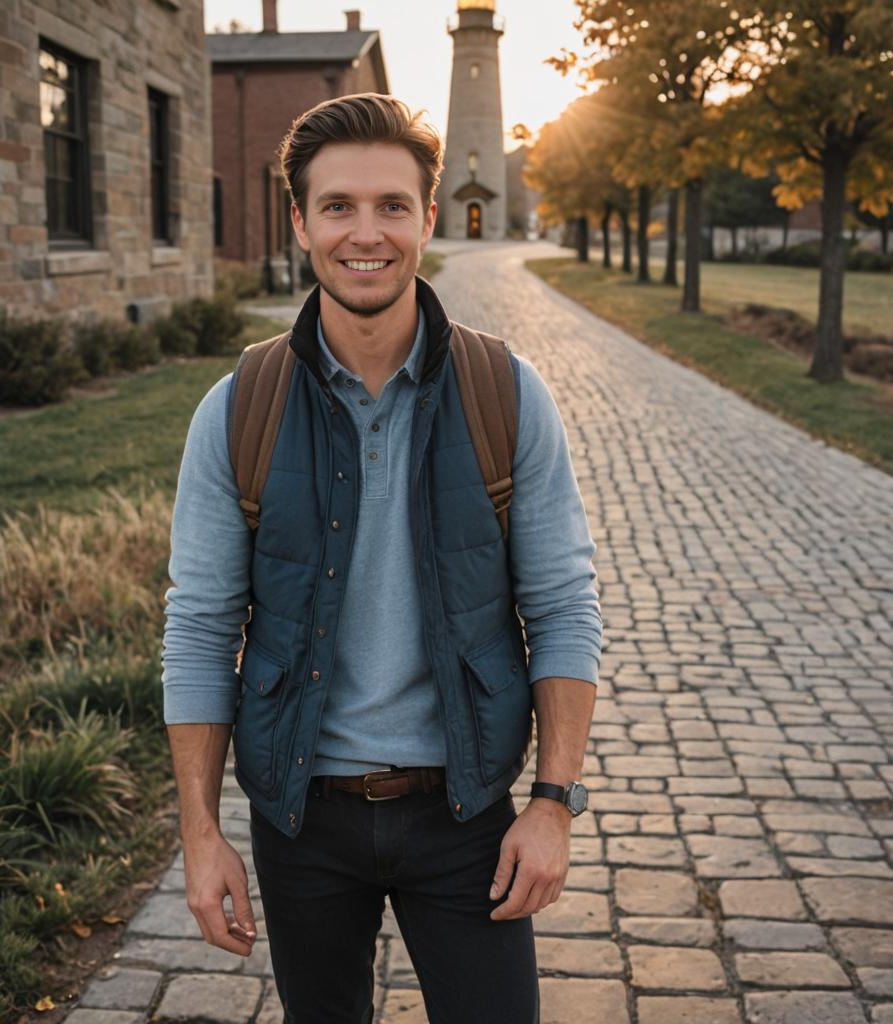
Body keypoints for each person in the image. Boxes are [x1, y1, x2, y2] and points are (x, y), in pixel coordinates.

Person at [161, 93, 602, 1024]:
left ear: (429, 216)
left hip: (467, 815)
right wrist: (202, 837)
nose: (368, 233)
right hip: (302, 821)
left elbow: (563, 607)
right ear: (301, 222)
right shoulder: (237, 411)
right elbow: (200, 632)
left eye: (392, 206)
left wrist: (553, 804)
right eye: (339, 207)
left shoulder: (507, 395)